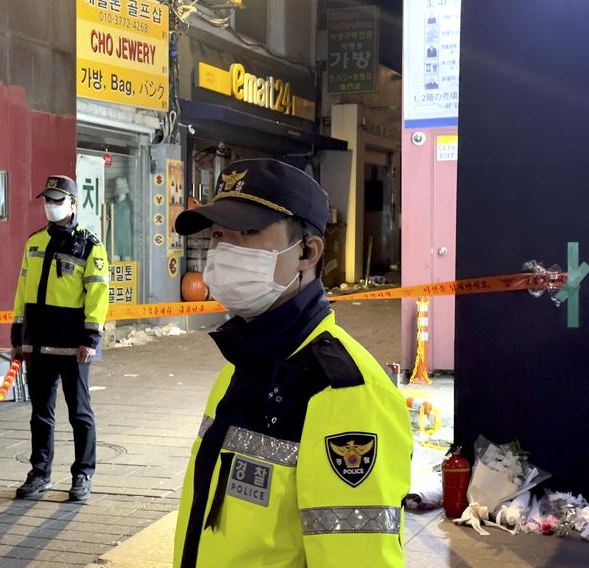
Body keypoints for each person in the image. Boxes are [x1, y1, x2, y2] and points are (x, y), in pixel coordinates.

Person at [171, 159, 412, 567]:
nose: (224, 250)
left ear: (307, 251)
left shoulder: (344, 391)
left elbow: (358, 557)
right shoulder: (243, 363)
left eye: (247, 232)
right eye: (217, 235)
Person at [11, 175, 109, 502]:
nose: (50, 206)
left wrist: (91, 339)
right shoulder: (33, 242)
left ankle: (83, 474)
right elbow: (22, 292)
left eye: (57, 200)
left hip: (73, 345)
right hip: (37, 342)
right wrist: (17, 335)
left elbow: (98, 295)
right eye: (47, 200)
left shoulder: (91, 246)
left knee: (79, 412)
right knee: (40, 413)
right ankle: (40, 473)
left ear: (73, 203)